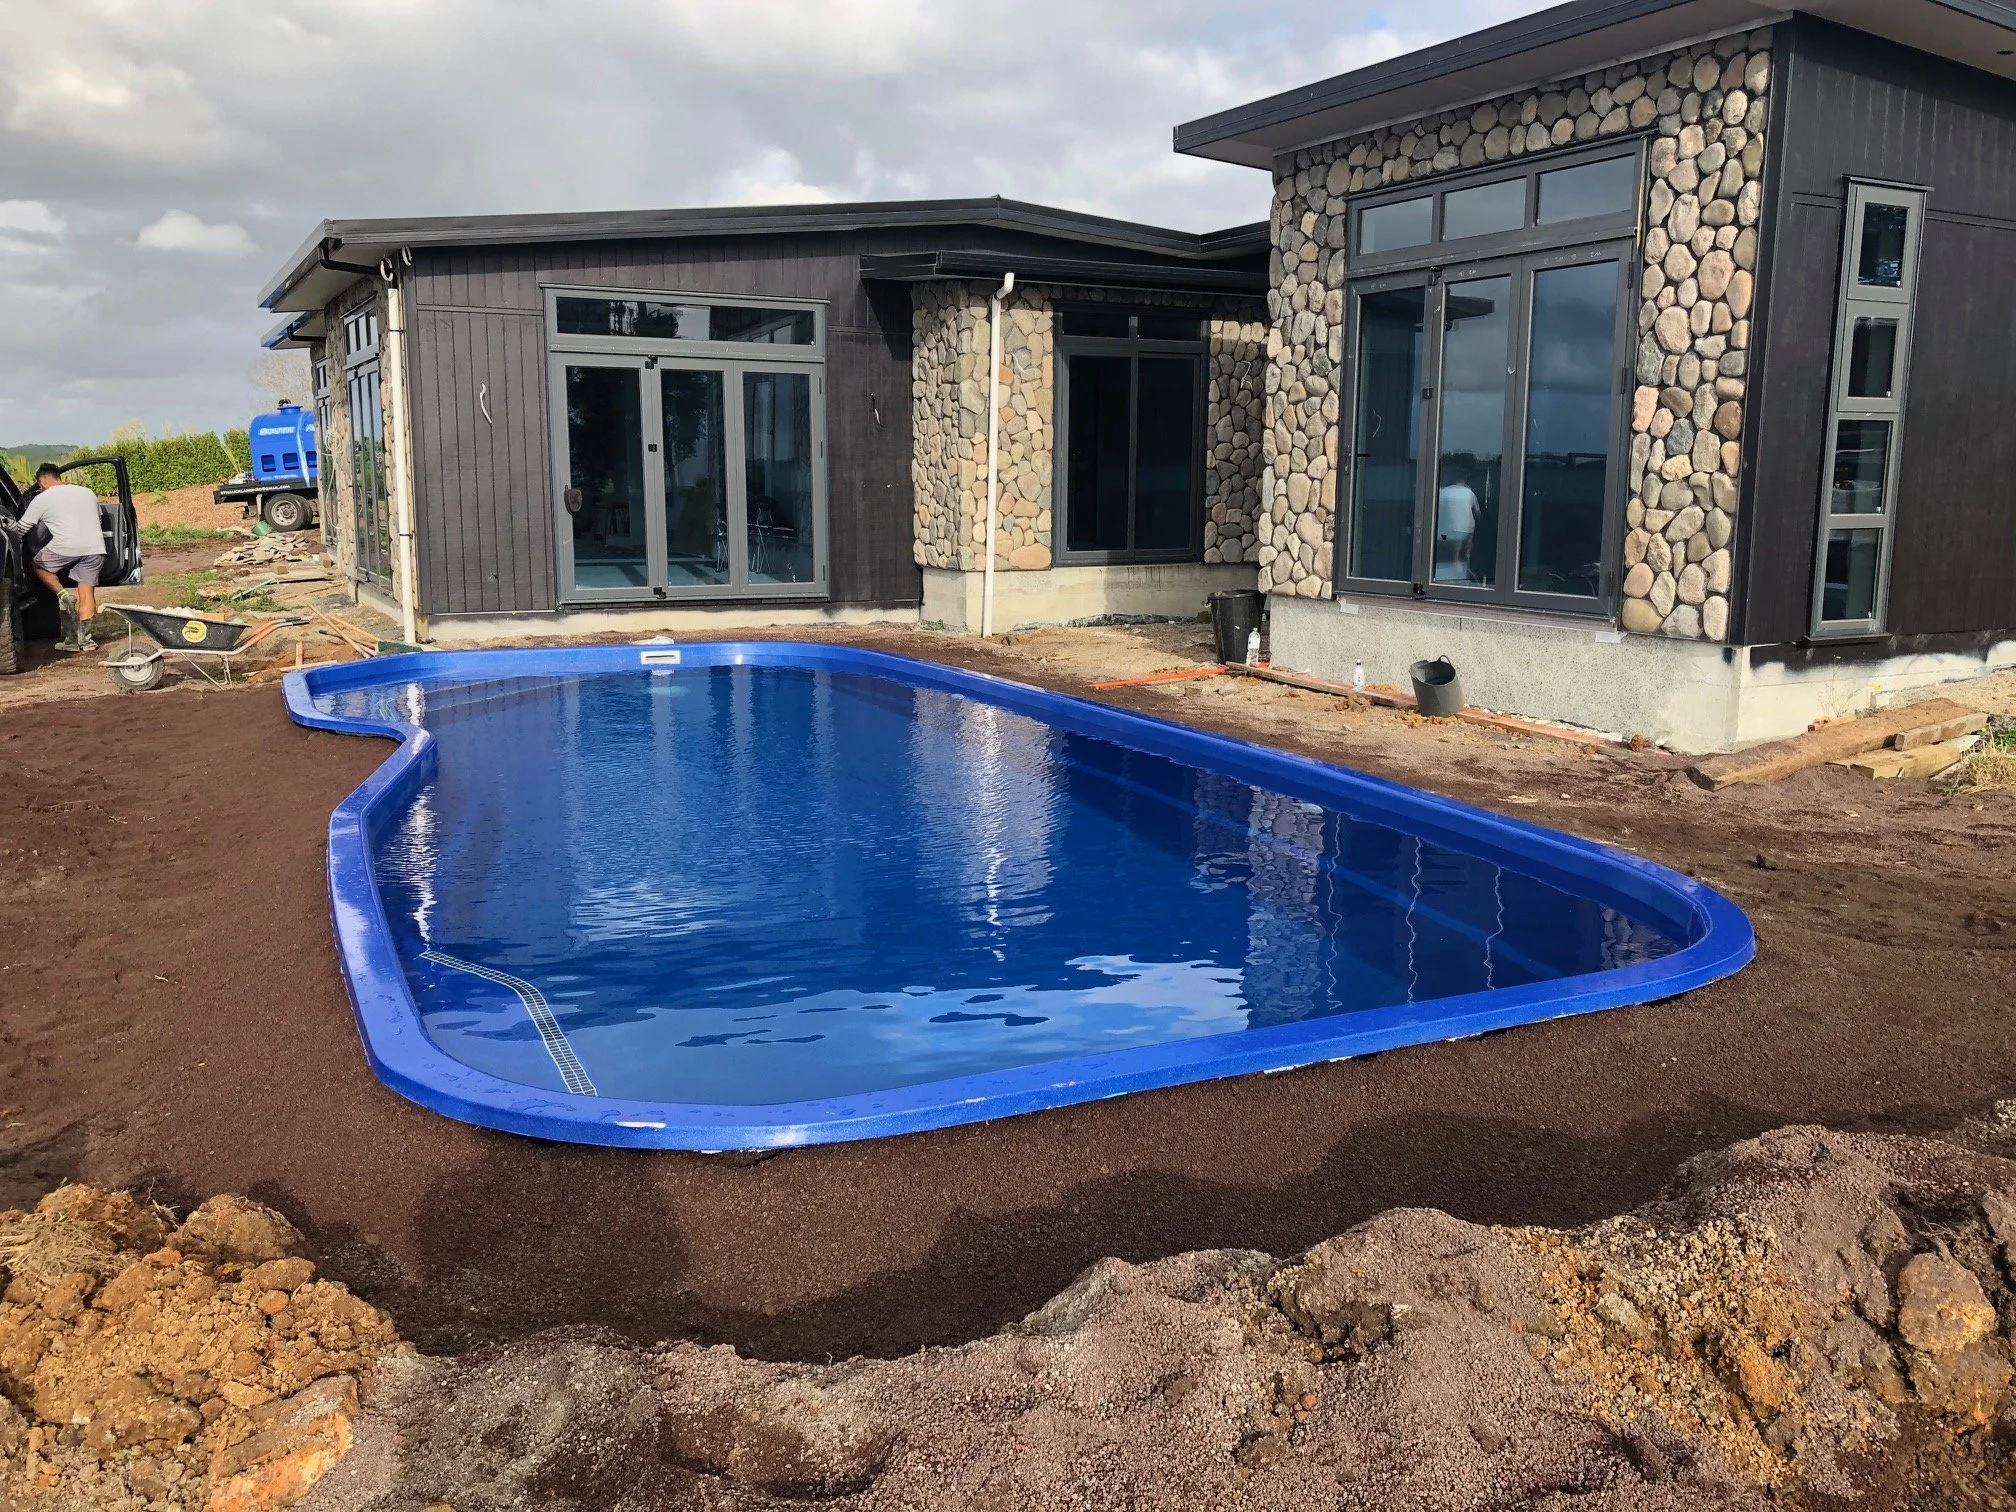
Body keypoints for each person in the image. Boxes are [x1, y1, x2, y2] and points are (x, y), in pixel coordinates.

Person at [18, 464, 107, 650]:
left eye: (39, 485)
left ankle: (64, 596)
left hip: (65, 547)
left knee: (38, 565)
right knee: (87, 592)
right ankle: (86, 641)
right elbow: (98, 519)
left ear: (41, 480)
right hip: (95, 547)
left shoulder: (43, 498)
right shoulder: (87, 492)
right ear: (58, 476)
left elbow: (22, 528)